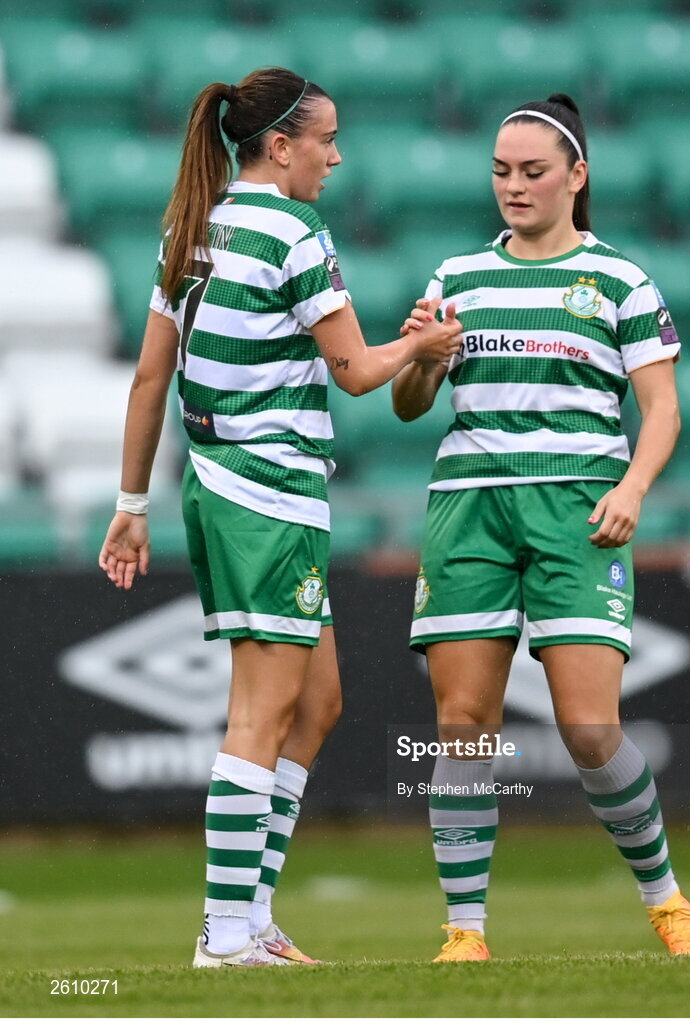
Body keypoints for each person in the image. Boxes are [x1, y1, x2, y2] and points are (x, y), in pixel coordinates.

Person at [98, 67, 462, 968]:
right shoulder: (294, 231)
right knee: (259, 714)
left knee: (319, 702)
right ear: (281, 145)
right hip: (265, 492)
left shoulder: (195, 223)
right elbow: (356, 372)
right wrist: (425, 342)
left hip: (222, 485)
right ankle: (224, 937)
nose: (335, 157)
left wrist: (131, 504)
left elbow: (151, 378)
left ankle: (251, 919)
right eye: (326, 140)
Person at [392, 94, 690, 961]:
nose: (514, 186)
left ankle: (669, 905)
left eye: (533, 171)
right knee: (464, 725)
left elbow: (662, 410)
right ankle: (464, 934)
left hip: (579, 508)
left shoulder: (620, 280)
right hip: (468, 505)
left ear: (577, 175)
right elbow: (408, 403)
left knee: (589, 730)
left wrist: (634, 486)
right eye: (501, 171)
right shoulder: (456, 275)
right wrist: (421, 360)